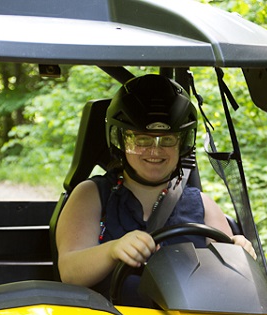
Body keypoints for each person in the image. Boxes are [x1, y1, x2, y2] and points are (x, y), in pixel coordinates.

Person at [56, 74, 255, 300]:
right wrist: (112, 251)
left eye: (167, 140)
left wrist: (239, 251)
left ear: (183, 142)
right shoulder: (91, 195)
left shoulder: (203, 205)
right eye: (141, 140)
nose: (155, 150)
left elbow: (231, 283)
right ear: (119, 140)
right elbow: (69, 272)